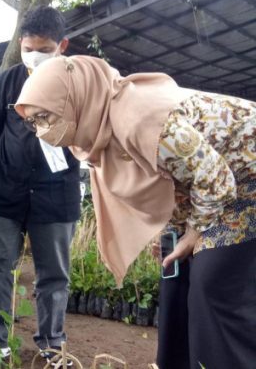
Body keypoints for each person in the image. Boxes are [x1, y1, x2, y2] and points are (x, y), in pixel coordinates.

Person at [15, 55, 256, 369]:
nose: (40, 130)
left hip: (245, 181)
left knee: (213, 284)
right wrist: (175, 230)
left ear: (74, 97)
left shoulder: (138, 116)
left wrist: (194, 232)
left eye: (45, 116)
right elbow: (172, 178)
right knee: (175, 277)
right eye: (33, 121)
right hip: (215, 187)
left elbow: (215, 177)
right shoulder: (100, 126)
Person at [0, 7, 81, 364]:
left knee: (54, 275)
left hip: (56, 193)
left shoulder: (78, 82)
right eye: (29, 47)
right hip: (7, 190)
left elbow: (89, 135)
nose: (34, 55)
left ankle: (51, 344)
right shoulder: (10, 80)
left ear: (62, 45)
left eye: (43, 48)